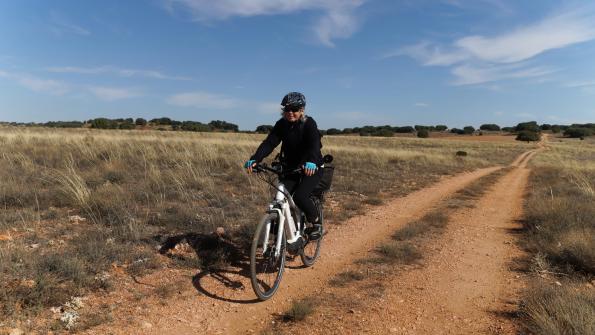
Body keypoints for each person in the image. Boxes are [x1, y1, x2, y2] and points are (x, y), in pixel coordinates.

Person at [244, 92, 323, 240]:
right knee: (280, 197)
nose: (290, 113)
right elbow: (270, 143)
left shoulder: (309, 123)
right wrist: (255, 159)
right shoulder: (282, 124)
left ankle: (316, 223)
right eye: (287, 109)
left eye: (294, 109)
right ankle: (281, 231)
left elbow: (314, 144)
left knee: (300, 196)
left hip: (312, 168)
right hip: (291, 168)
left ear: (302, 110)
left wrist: (312, 161)